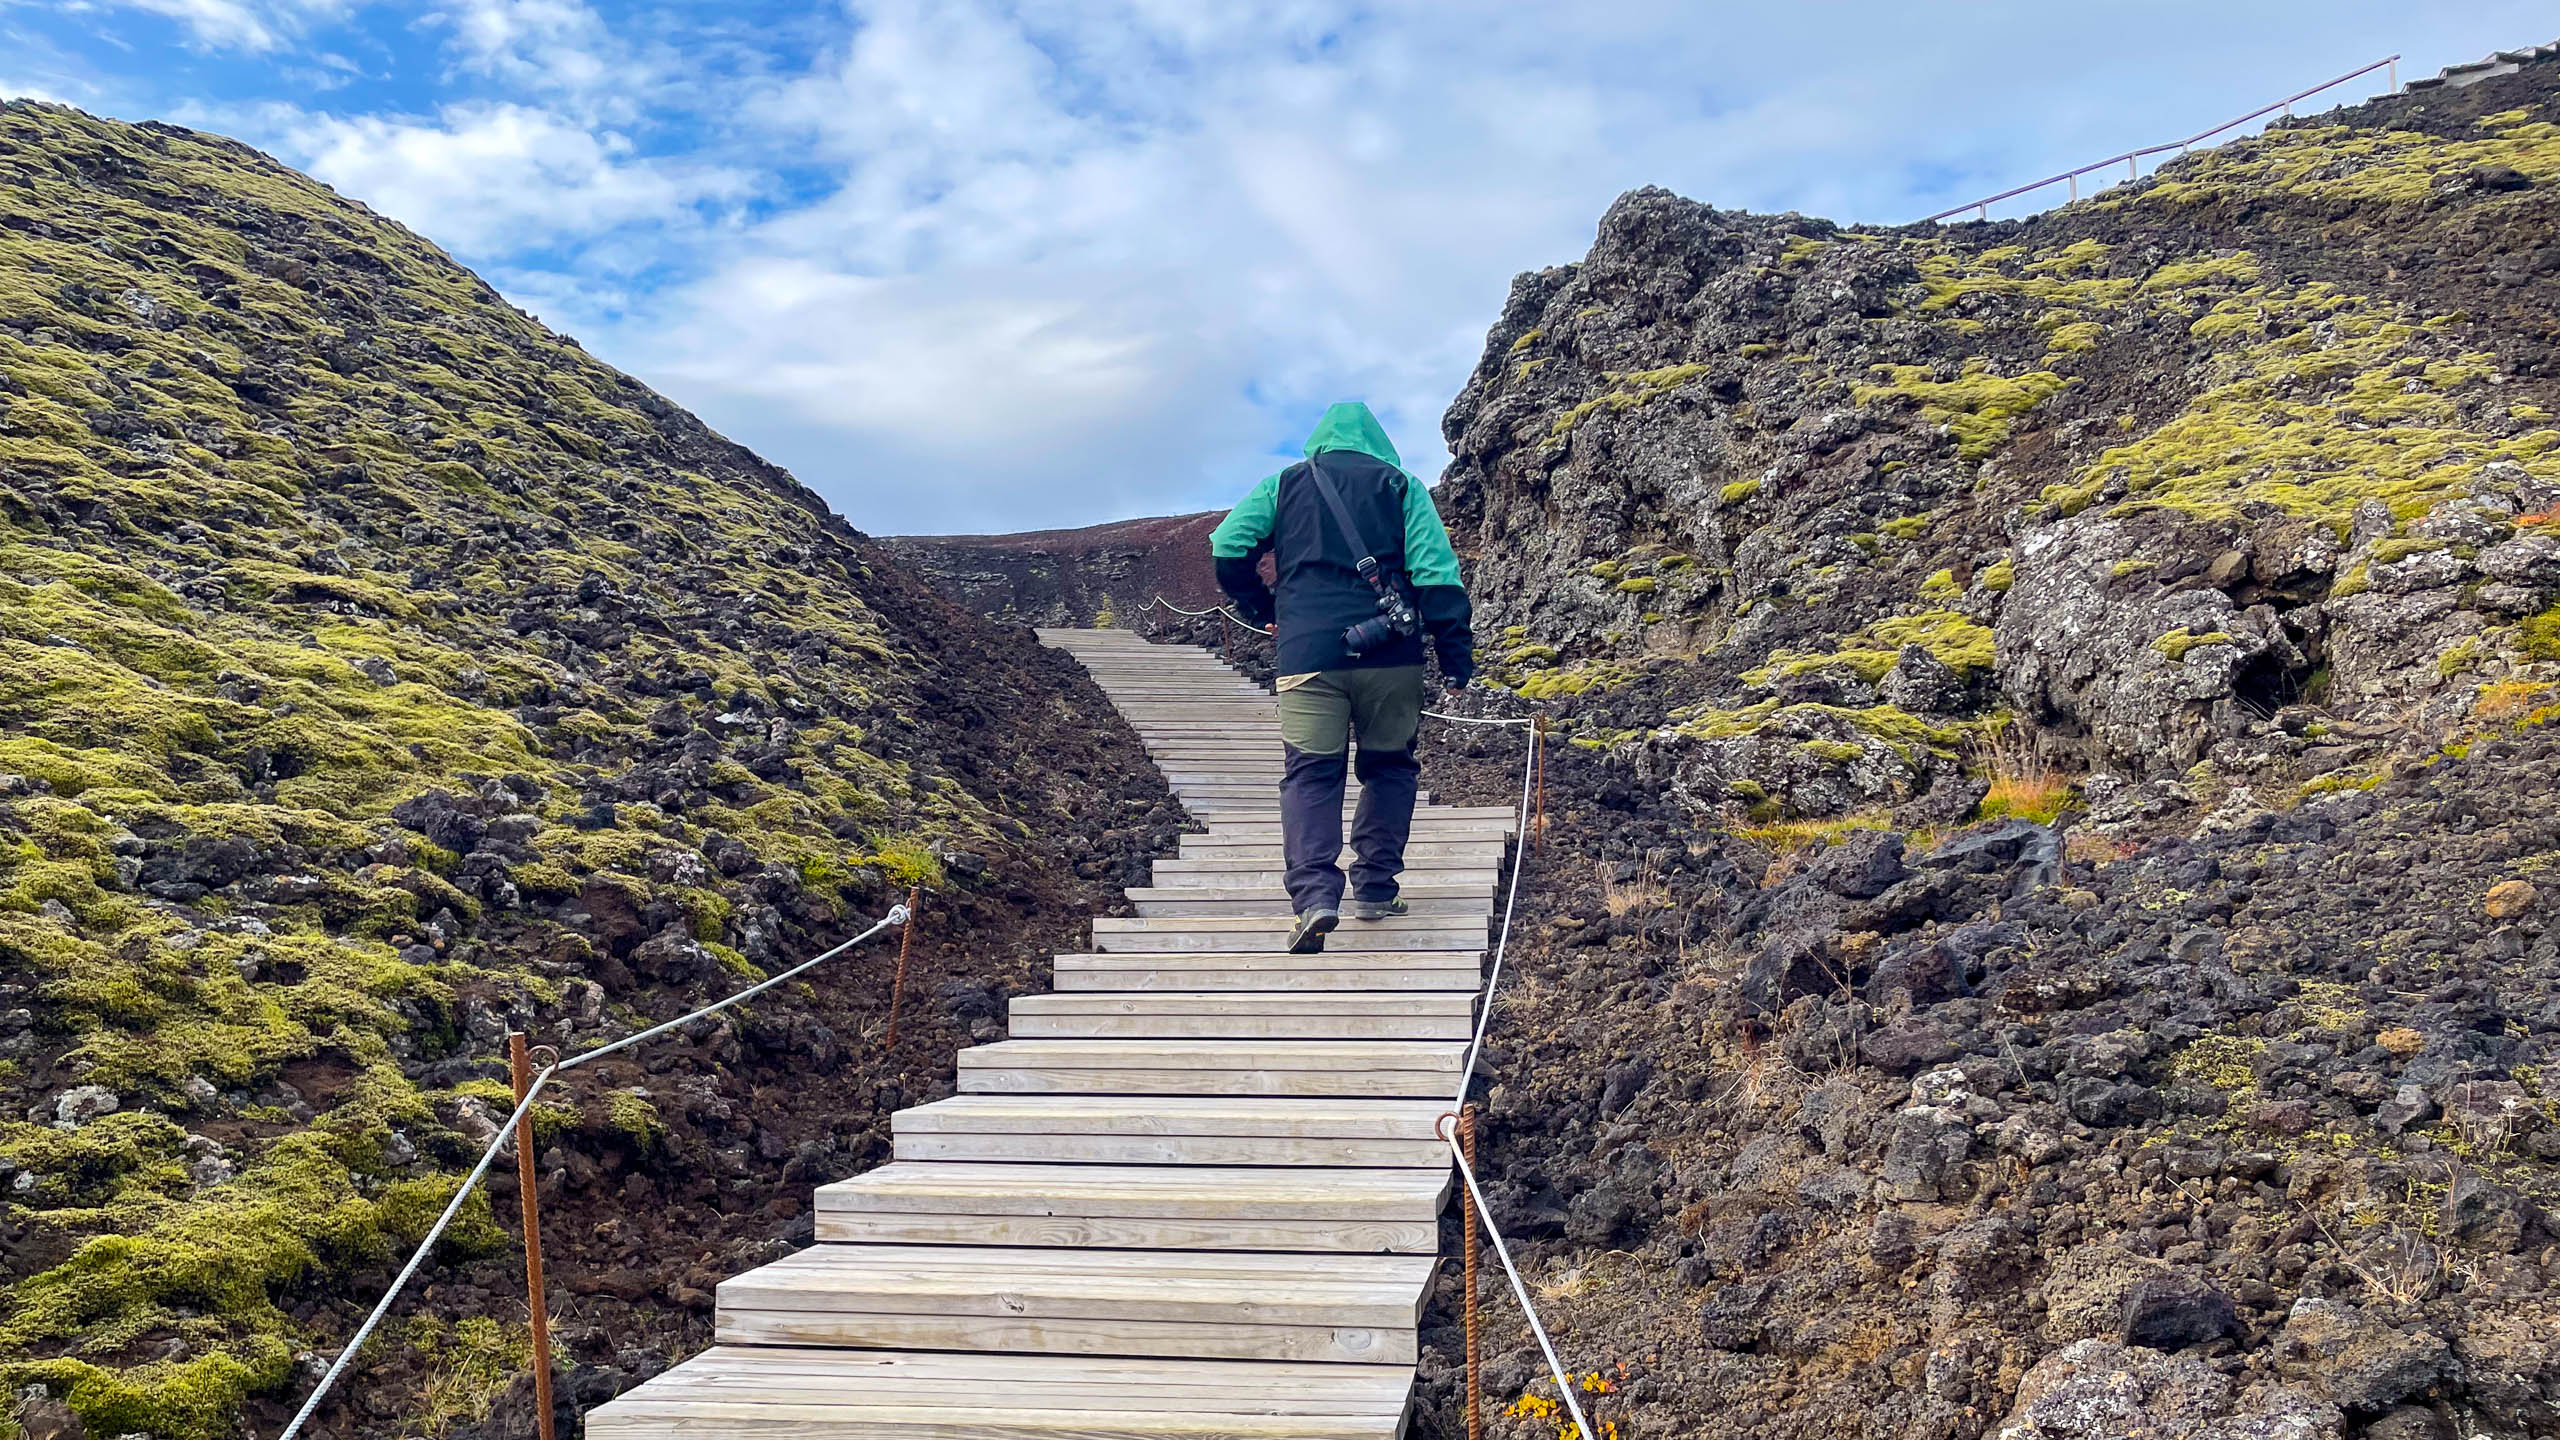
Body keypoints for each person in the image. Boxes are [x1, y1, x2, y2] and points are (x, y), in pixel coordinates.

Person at [1209, 402, 1475, 953]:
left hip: (1307, 655)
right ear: (1377, 440)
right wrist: (1454, 657)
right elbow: (1435, 574)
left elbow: (1228, 546)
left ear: (1321, 440)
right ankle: (1376, 888)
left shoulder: (1283, 485)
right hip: (1390, 657)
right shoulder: (1401, 486)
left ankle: (1314, 898)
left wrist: (1261, 604)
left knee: (1310, 774)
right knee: (1389, 768)